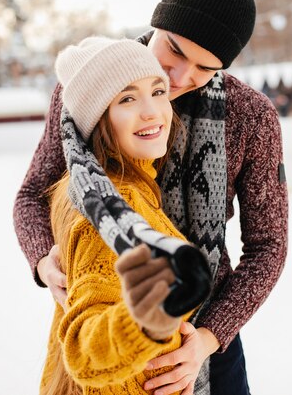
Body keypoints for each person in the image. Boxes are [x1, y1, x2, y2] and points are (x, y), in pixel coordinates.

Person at [14, 0, 289, 394]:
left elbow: (269, 245)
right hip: (109, 318)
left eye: (205, 68)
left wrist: (208, 339)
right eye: (175, 49)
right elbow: (32, 194)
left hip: (208, 333)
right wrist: (42, 261)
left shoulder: (250, 117)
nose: (179, 76)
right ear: (158, 21)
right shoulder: (89, 83)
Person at [41, 36, 194, 394]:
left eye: (158, 91)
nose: (153, 111)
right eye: (127, 98)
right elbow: (84, 350)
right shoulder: (113, 205)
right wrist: (149, 317)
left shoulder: (108, 186)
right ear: (97, 118)